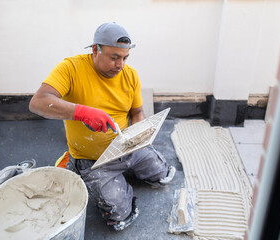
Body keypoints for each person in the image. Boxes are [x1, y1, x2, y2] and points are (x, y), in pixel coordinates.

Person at [29, 22, 176, 231]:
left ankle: (126, 169)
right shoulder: (71, 68)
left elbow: (137, 113)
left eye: (125, 58)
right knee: (120, 216)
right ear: (95, 49)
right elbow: (38, 102)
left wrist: (138, 133)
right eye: (114, 57)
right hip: (94, 159)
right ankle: (74, 164)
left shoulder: (130, 75)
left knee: (162, 175)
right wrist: (82, 113)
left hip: (127, 148)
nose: (120, 65)